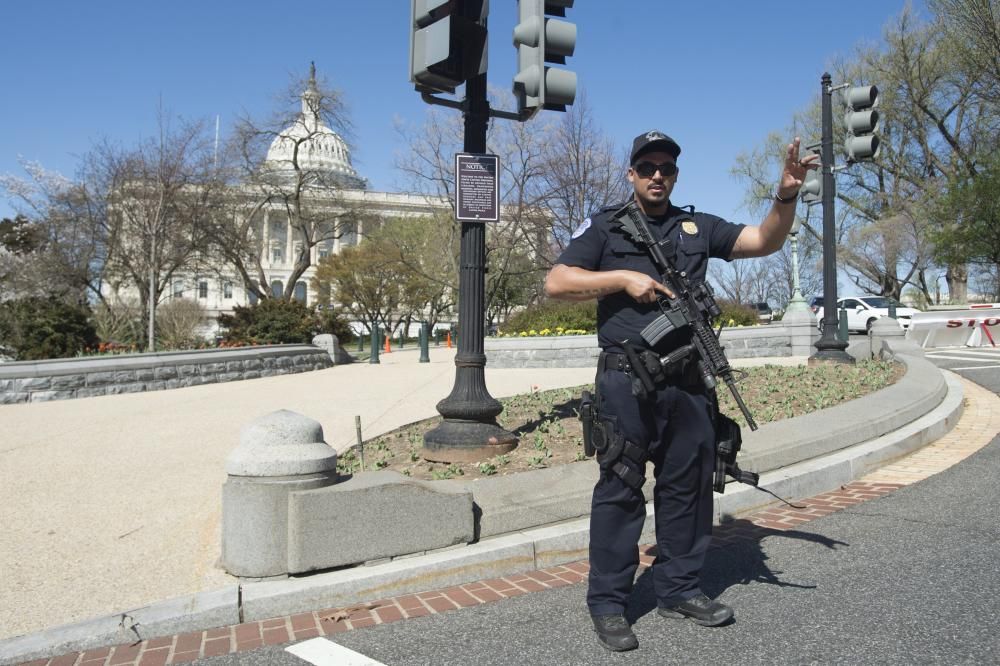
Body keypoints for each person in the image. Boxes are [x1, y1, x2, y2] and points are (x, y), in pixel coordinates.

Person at [544, 130, 817, 652]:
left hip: (689, 380)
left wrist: (787, 193)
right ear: (631, 173)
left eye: (666, 168)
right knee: (621, 486)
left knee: (688, 486)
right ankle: (608, 603)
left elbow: (765, 241)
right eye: (647, 166)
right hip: (627, 377)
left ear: (675, 175)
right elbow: (557, 281)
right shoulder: (607, 226)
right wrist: (621, 277)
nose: (656, 175)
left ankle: (678, 589)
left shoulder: (698, 226)